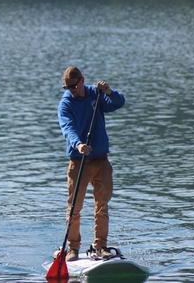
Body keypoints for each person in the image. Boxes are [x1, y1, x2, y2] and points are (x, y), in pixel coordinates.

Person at [57, 65, 125, 261]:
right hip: (79, 163)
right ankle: (73, 249)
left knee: (102, 205)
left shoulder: (96, 94)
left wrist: (109, 92)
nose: (72, 90)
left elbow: (118, 103)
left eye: (74, 86)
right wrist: (78, 144)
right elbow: (67, 127)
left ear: (82, 80)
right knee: (74, 208)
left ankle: (100, 246)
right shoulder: (66, 104)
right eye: (68, 88)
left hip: (101, 161)